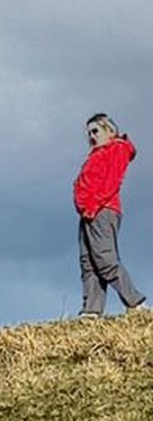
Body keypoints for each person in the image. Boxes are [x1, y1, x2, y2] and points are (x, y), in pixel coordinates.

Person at [73, 113, 145, 318]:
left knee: (105, 259)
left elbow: (111, 182)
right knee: (88, 262)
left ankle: (135, 303)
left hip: (102, 210)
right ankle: (92, 310)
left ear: (110, 130)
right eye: (88, 133)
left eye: (95, 131)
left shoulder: (116, 149)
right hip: (88, 212)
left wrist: (93, 206)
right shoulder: (97, 154)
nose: (92, 136)